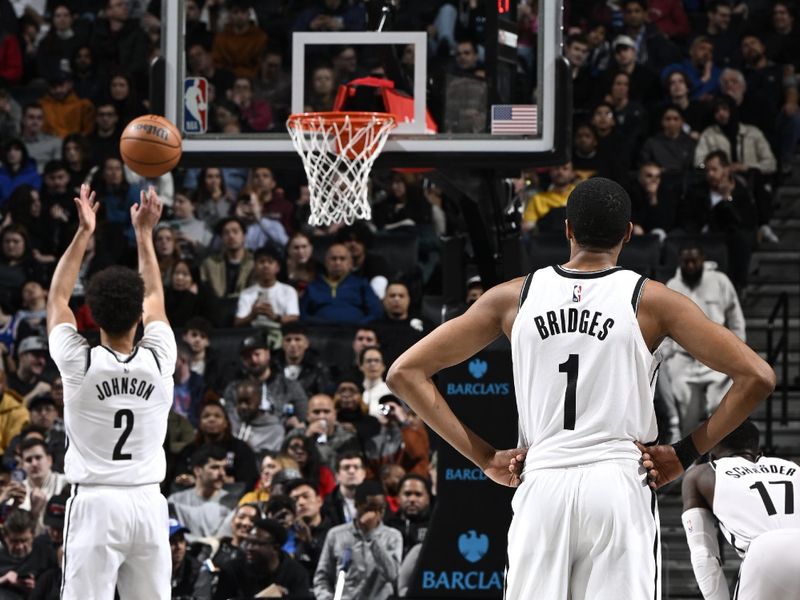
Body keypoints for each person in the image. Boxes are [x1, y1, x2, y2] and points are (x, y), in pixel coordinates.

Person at [386, 176, 775, 598]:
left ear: (567, 229)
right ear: (628, 234)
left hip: (542, 484)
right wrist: (685, 454)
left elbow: (404, 373)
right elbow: (758, 377)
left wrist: (484, 458)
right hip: (617, 485)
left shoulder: (513, 297)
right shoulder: (652, 300)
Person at [46, 184, 176, 599]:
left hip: (97, 504)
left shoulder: (78, 361)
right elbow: (155, 295)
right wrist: (144, 234)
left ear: (92, 316)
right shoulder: (160, 358)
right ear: (139, 316)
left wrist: (84, 232)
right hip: (149, 504)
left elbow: (57, 300)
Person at [681, 420, 800, 600]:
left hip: (766, 552)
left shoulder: (702, 473)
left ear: (711, 452)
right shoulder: (794, 467)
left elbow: (704, 555)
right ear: (757, 450)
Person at [661, 242, 746, 439]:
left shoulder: (720, 281)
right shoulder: (673, 286)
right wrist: (667, 354)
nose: (690, 266)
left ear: (702, 260)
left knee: (718, 410)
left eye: (694, 261)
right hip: (683, 358)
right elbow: (663, 325)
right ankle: (689, 463)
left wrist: (738, 349)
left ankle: (717, 457)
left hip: (717, 357)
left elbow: (735, 318)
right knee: (686, 415)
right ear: (680, 262)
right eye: (686, 262)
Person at [313, 479, 402, 600]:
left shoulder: (393, 536)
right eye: (371, 509)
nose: (377, 515)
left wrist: (372, 536)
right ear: (356, 505)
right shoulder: (336, 535)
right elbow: (322, 577)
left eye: (381, 509)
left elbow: (392, 575)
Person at [213, 518, 311, 600]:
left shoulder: (296, 574)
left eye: (256, 543)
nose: (249, 548)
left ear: (275, 548)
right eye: (248, 542)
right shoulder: (232, 570)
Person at [300, 244, 382, 325]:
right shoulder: (313, 286)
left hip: (355, 332)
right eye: (333, 259)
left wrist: (359, 325)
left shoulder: (361, 284)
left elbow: (375, 312)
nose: (338, 262)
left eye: (342, 259)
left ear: (350, 263)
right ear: (326, 262)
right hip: (320, 333)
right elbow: (302, 314)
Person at [168, 444, 233, 538]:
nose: (222, 473)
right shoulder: (175, 501)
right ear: (198, 470)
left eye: (224, 468)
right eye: (215, 467)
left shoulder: (231, 502)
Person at [234, 245, 299, 334]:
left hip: (280, 333)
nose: (265, 266)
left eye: (270, 262)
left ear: (277, 268)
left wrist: (275, 317)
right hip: (254, 334)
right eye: (261, 262)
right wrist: (252, 315)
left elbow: (294, 318)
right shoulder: (246, 293)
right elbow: (237, 322)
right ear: (255, 267)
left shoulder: (288, 291)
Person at [272, 321, 335, 397]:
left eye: (297, 339)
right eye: (288, 340)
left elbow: (325, 396)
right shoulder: (272, 366)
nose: (293, 344)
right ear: (282, 344)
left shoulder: (319, 368)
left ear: (306, 343)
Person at [286, 478, 333, 576]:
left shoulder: (334, 533)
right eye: (295, 500)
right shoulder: (287, 534)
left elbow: (332, 567)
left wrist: (308, 543)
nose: (301, 503)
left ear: (319, 501)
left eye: (306, 496)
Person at [385, 473, 431, 556]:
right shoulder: (387, 525)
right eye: (407, 494)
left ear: (427, 498)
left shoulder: (434, 525)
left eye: (418, 494)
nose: (412, 499)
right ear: (398, 498)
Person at [323, 451, 367, 526]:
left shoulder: (376, 497)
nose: (351, 471)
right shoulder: (327, 504)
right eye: (346, 468)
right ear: (337, 475)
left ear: (364, 474)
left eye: (356, 467)